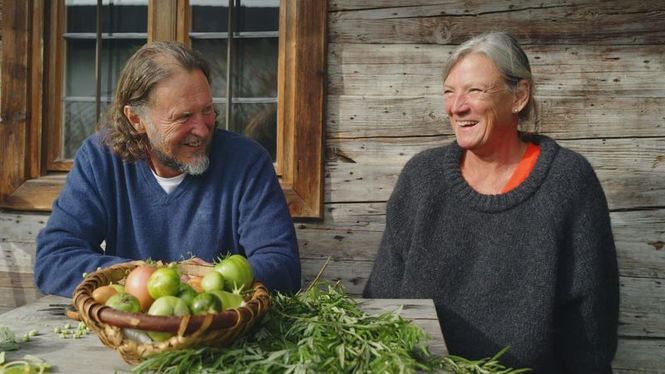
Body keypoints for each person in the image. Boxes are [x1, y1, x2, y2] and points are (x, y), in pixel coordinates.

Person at [363, 32, 619, 373]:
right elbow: (381, 299)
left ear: (519, 96)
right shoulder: (421, 179)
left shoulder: (567, 182)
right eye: (449, 92)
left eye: (474, 91)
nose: (457, 106)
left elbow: (591, 325)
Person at [34, 41, 301, 297]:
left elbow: (282, 266)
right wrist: (145, 278)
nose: (202, 129)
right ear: (136, 119)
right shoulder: (100, 159)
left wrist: (207, 281)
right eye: (184, 117)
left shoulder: (247, 162)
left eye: (207, 110)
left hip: (221, 330)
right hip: (128, 329)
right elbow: (54, 259)